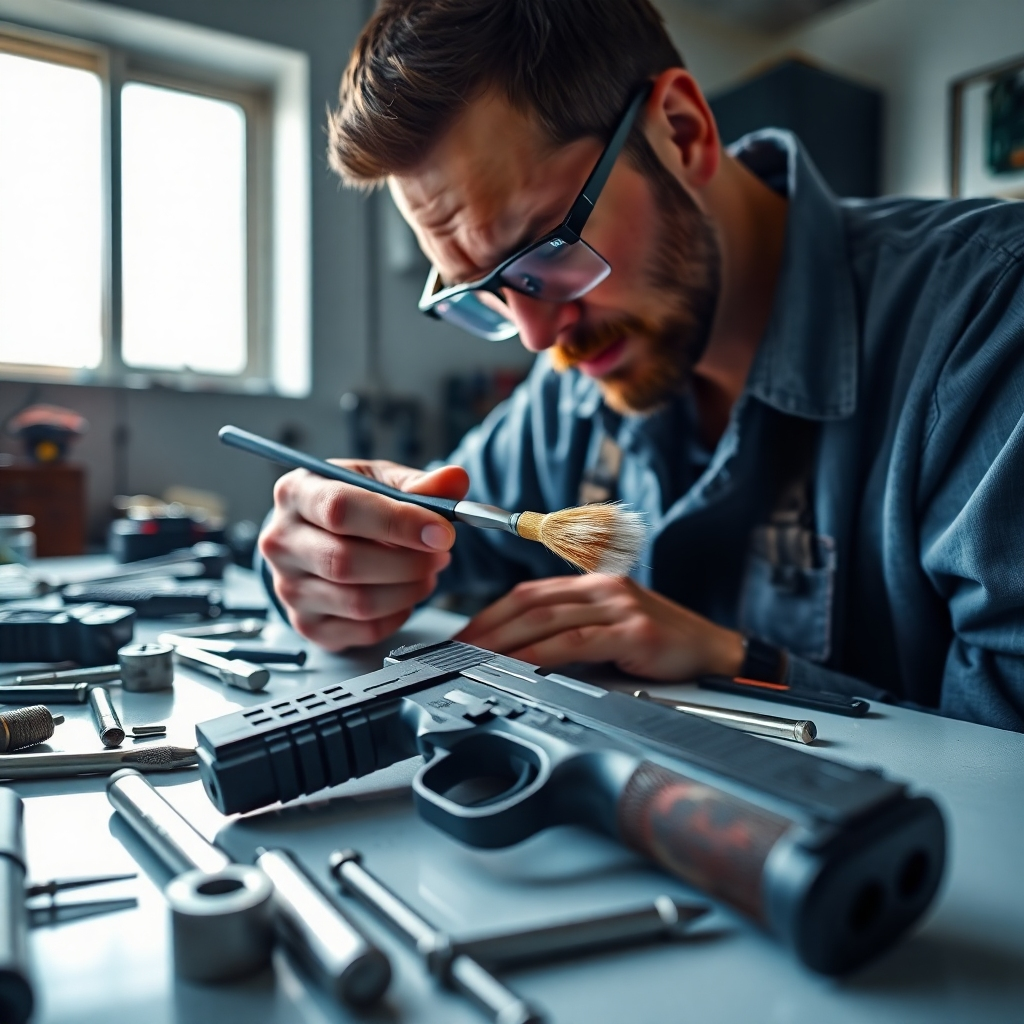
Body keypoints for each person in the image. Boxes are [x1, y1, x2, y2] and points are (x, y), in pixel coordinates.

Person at [258, 0, 1024, 731]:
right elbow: (419, 537)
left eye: (547, 251)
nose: (537, 338)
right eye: (481, 294)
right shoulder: (571, 388)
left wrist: (746, 666)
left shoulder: (988, 321)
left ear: (683, 132)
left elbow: (1005, 765)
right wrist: (325, 559)